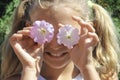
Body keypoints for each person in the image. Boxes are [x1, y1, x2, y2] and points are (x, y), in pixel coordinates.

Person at [1, 0, 120, 80]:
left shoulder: (102, 76)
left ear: (87, 30)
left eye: (66, 33)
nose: (54, 45)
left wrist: (87, 67)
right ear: (29, 29)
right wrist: (30, 70)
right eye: (45, 32)